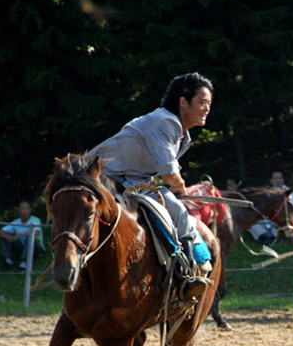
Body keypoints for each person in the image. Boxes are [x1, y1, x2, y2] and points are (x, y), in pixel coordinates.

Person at [89, 72, 213, 301]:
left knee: (170, 204)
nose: (207, 108)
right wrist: (181, 189)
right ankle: (195, 265)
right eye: (202, 102)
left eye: (209, 104)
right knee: (177, 209)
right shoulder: (166, 122)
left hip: (131, 181)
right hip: (106, 178)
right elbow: (169, 173)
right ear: (183, 102)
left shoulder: (181, 134)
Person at [248, 170, 293, 244]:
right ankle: (266, 237)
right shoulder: (268, 193)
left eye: (280, 178)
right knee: (252, 225)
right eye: (275, 178)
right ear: (271, 181)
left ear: (283, 180)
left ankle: (271, 237)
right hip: (267, 220)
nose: (278, 181)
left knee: (283, 227)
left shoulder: (288, 192)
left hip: (281, 220)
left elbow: (292, 209)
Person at [0, 200, 45, 270]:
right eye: (23, 209)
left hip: (35, 248)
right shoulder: (16, 222)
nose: (25, 211)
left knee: (30, 237)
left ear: (30, 210)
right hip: (21, 248)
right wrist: (8, 237)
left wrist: (20, 234)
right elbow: (0, 231)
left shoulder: (35, 220)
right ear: (19, 211)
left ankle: (24, 263)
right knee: (6, 235)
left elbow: (37, 232)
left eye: (27, 209)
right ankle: (7, 260)